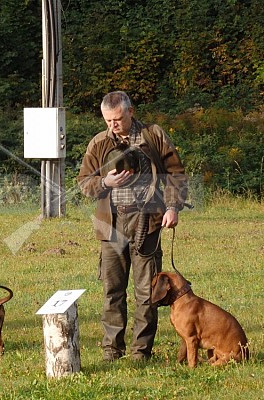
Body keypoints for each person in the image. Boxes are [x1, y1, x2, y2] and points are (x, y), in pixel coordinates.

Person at [77, 91, 188, 362]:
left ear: (130, 111)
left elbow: (175, 173)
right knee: (112, 291)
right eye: (107, 120)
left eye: (117, 119)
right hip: (110, 224)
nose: (112, 125)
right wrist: (105, 183)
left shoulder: (153, 135)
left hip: (147, 221)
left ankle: (141, 352)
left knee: (147, 292)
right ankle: (111, 351)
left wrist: (172, 206)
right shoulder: (99, 143)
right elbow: (83, 182)